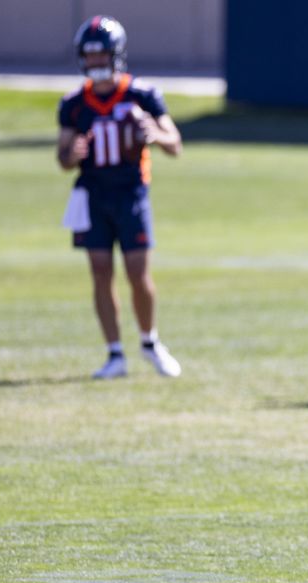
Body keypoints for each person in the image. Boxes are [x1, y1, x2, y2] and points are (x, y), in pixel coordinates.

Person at [57, 15, 184, 378]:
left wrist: (154, 135)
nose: (95, 63)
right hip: (93, 195)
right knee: (99, 273)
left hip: (131, 193)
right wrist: (73, 154)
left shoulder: (141, 95)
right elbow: (63, 157)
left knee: (137, 273)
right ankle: (115, 354)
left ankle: (149, 342)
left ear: (115, 55)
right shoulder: (74, 103)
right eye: (90, 57)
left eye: (101, 56)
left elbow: (175, 144)